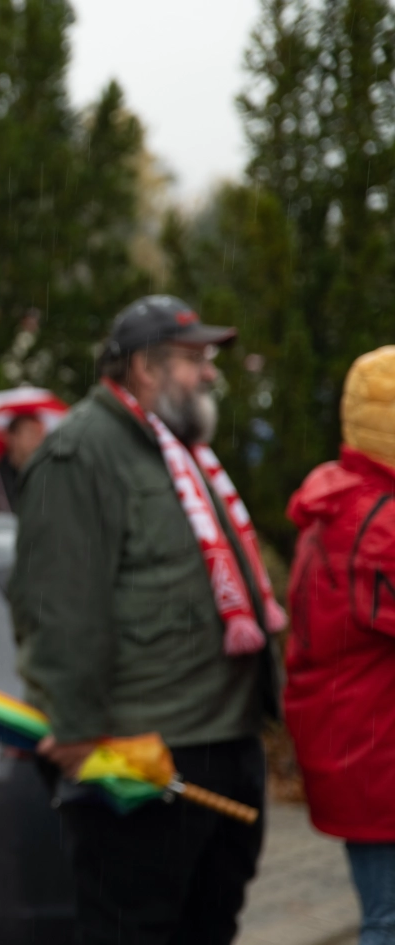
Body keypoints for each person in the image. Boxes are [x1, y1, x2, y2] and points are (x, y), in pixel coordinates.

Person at [8, 294, 285, 945]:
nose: (209, 372)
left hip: (226, 745)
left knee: (208, 926)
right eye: (193, 359)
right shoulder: (83, 451)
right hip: (145, 756)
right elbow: (60, 607)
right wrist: (75, 735)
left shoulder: (179, 448)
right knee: (132, 930)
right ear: (142, 367)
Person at [285, 345, 395, 945]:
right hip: (379, 759)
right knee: (388, 922)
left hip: (359, 747)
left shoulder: (347, 500)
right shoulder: (377, 522)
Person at [0, 411, 46, 512]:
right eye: (31, 433)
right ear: (12, 437)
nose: (38, 440)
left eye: (40, 434)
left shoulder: (44, 476)